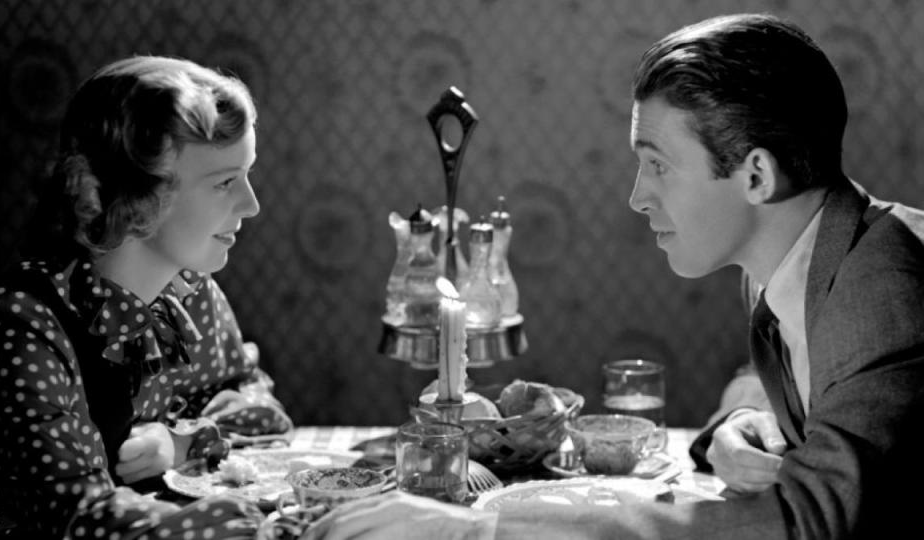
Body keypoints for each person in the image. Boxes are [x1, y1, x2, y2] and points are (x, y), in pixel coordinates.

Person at [302, 12, 924, 539]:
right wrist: (740, 423)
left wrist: (478, 532)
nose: (637, 196)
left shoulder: (884, 288)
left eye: (657, 165)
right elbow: (808, 378)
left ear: (756, 176)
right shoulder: (794, 257)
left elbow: (805, 522)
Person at [0, 55, 277, 538]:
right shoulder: (22, 326)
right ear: (138, 196)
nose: (251, 205)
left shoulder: (186, 296)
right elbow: (76, 517)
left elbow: (259, 409)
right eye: (224, 183)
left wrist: (182, 442)